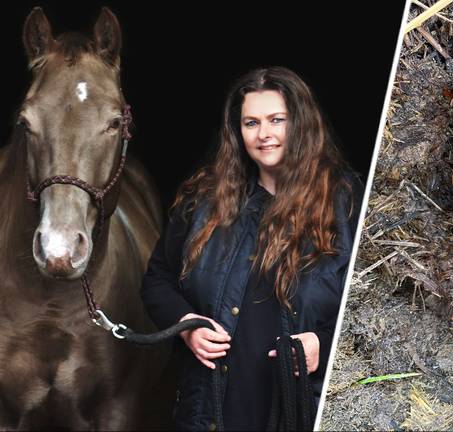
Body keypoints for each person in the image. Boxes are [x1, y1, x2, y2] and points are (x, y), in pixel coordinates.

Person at [140, 66, 362, 431]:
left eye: (277, 120)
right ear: (237, 131)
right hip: (209, 412)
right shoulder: (205, 201)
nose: (264, 135)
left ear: (302, 124)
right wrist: (186, 326)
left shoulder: (346, 201)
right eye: (251, 123)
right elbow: (158, 278)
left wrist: (323, 345)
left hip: (300, 408)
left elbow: (367, 306)